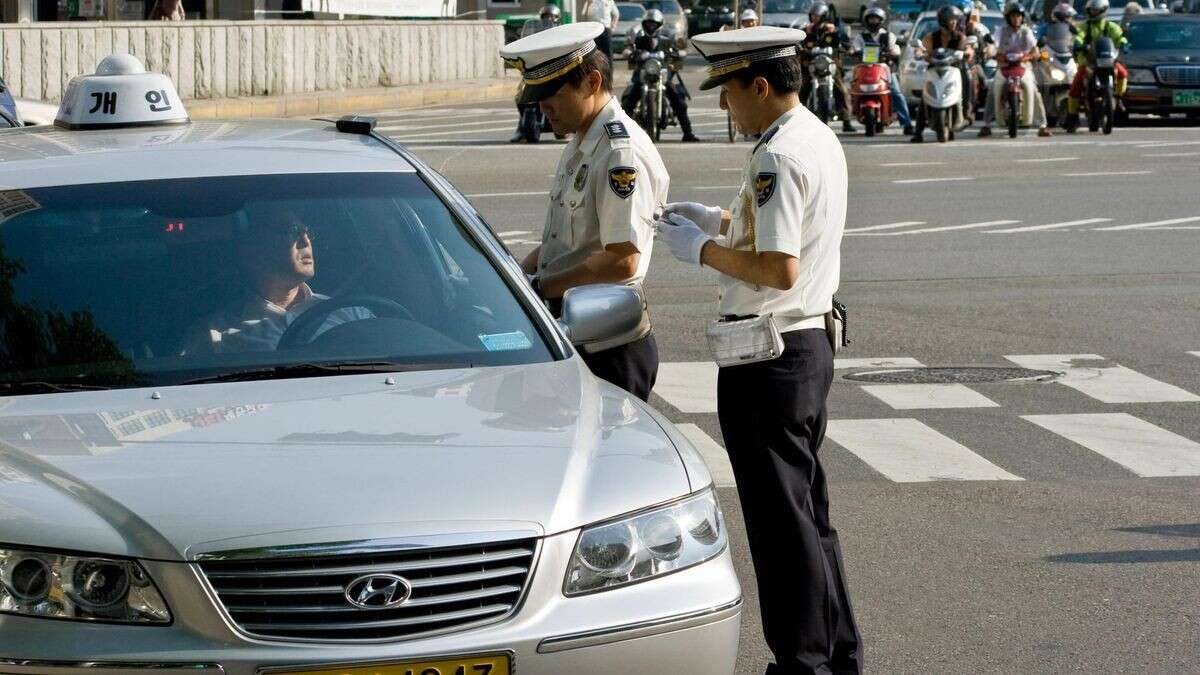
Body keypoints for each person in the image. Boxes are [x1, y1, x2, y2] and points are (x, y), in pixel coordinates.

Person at [658, 25, 861, 675]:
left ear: (761, 85)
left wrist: (703, 251)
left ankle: (802, 664)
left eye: (728, 91)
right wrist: (718, 220)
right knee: (809, 519)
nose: (723, 106)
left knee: (780, 530)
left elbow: (778, 267)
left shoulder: (777, 156)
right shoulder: (814, 135)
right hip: (806, 345)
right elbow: (787, 232)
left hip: (769, 357)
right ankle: (837, 654)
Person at [499, 23, 668, 401]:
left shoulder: (618, 153)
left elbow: (622, 261)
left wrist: (540, 287)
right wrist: (514, 278)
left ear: (592, 82)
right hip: (575, 330)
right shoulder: (582, 140)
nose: (542, 107)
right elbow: (560, 245)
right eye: (537, 95)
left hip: (607, 344)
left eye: (552, 94)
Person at [180, 204, 372, 354]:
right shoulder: (214, 335)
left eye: (308, 233)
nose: (306, 241)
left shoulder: (353, 313)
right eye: (293, 231)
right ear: (254, 251)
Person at [620, 9, 701, 142]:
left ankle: (688, 133)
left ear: (660, 24)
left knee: (679, 102)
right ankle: (622, 135)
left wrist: (680, 53)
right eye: (648, 23)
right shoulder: (639, 39)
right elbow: (629, 48)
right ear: (644, 24)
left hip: (662, 76)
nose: (651, 26)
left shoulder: (666, 40)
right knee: (628, 103)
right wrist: (628, 52)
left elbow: (676, 51)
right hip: (643, 76)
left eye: (654, 23)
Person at [979, 2, 1053, 136]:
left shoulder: (1026, 31)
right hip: (1004, 66)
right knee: (992, 89)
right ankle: (986, 125)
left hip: (1023, 66)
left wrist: (1033, 55)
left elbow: (1035, 48)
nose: (1016, 19)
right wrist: (992, 52)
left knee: (1035, 90)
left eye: (1019, 16)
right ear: (1008, 17)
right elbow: (992, 45)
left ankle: (1042, 125)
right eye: (1013, 16)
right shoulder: (1001, 31)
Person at [912, 5, 975, 142]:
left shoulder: (960, 37)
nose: (953, 22)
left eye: (955, 20)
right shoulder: (931, 37)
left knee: (968, 76)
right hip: (934, 69)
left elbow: (968, 48)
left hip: (954, 70)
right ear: (942, 21)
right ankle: (918, 132)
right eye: (950, 19)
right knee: (925, 97)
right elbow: (922, 48)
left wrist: (967, 52)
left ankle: (967, 111)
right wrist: (919, 52)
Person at [1064, 0, 1129, 132]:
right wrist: (1078, 44)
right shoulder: (1084, 26)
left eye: (1096, 10)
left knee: (1123, 73)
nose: (1093, 13)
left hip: (1108, 60)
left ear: (1104, 10)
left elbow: (1119, 36)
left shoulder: (1111, 26)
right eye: (1091, 10)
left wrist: (1123, 43)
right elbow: (1078, 37)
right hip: (1089, 62)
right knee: (1076, 86)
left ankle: (1118, 96)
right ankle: (1072, 116)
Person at [851, 5, 914, 135]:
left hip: (884, 70)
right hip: (865, 70)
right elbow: (854, 49)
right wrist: (854, 52)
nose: (873, 22)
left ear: (881, 20)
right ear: (866, 20)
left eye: (876, 19)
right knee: (854, 89)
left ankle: (907, 123)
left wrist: (892, 53)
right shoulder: (860, 37)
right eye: (871, 19)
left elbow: (895, 50)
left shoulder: (888, 36)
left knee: (897, 94)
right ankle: (850, 115)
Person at [510, 5, 564, 143]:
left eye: (551, 17)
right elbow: (527, 45)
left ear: (557, 18)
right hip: (537, 71)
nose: (549, 19)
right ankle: (522, 126)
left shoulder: (562, 32)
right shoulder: (535, 32)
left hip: (556, 72)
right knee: (520, 94)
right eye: (545, 17)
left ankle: (569, 121)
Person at [802, 2, 856, 132]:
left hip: (830, 65)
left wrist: (837, 33)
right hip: (812, 65)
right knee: (801, 88)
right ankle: (797, 118)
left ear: (824, 16)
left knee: (841, 89)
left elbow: (844, 42)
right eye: (813, 15)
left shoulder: (833, 30)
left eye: (817, 15)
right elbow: (800, 44)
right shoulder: (807, 30)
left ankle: (847, 120)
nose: (814, 18)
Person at [581, 0, 620, 71]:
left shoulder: (609, 1)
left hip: (606, 30)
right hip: (593, 31)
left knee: (608, 55)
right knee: (593, 55)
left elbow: (616, 14)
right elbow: (584, 16)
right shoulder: (589, 1)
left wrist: (613, 27)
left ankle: (609, 77)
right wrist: (589, 4)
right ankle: (595, 74)